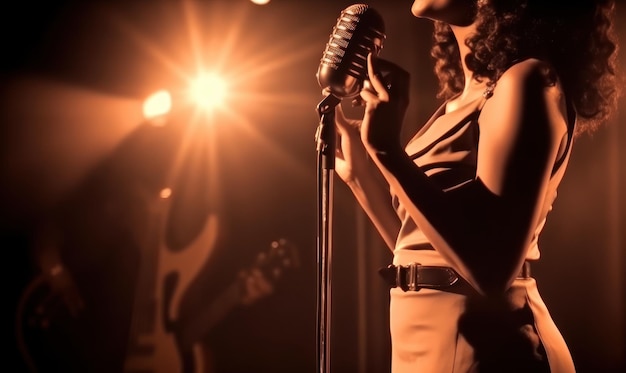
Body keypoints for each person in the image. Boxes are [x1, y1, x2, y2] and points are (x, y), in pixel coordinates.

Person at [331, 0, 619, 372]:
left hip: (492, 350)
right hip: (424, 343)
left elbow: (490, 270)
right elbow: (429, 249)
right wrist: (361, 178)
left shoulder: (526, 82)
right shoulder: (458, 103)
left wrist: (388, 153)